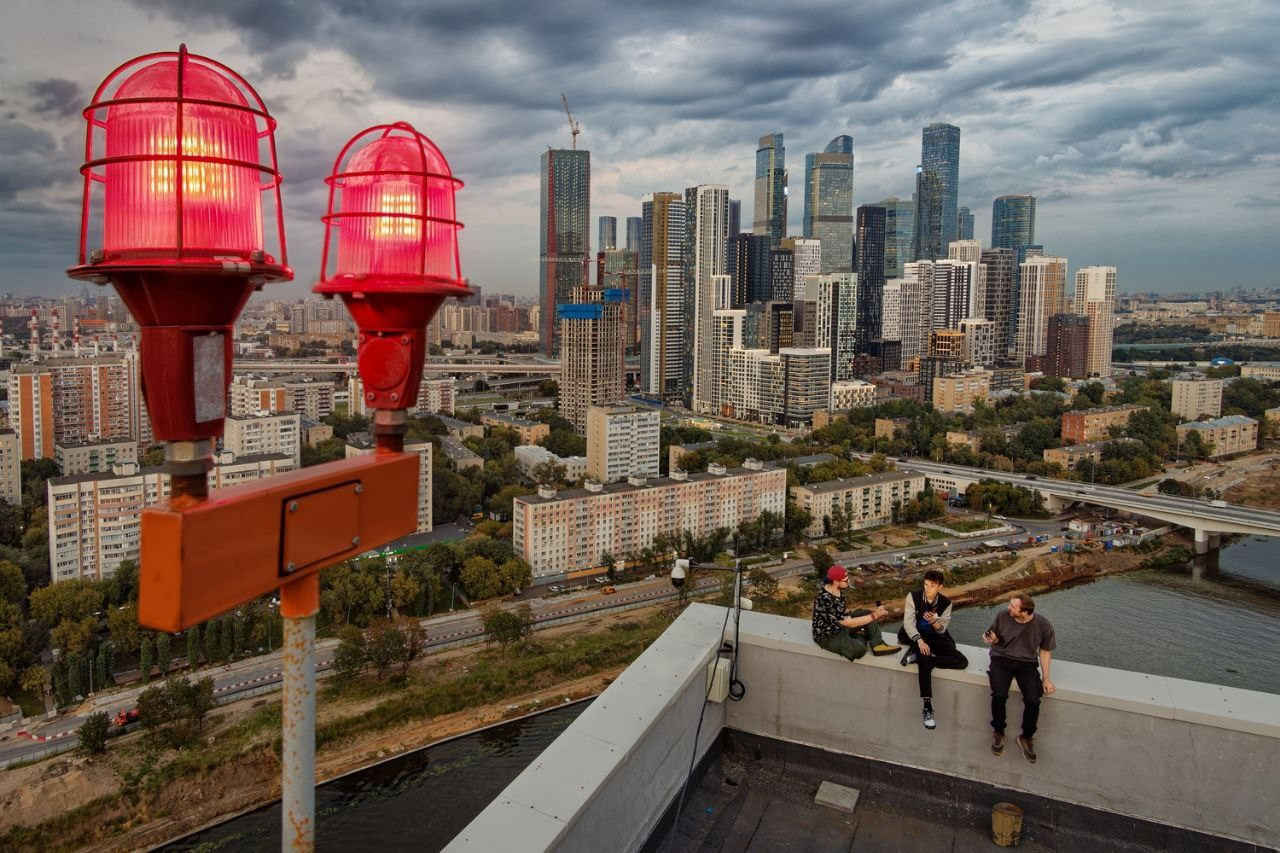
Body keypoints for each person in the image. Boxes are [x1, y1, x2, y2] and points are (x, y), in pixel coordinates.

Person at [983, 594, 1056, 764]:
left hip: (1026, 663)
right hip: (1001, 658)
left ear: (1024, 612)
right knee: (999, 694)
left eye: (1013, 606)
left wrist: (1046, 679)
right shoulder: (1003, 615)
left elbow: (1045, 651)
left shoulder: (1044, 625)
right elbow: (995, 637)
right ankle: (999, 732)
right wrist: (991, 639)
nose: (1008, 607)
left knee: (1033, 700)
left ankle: (1026, 737)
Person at [897, 569, 969, 730]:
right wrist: (920, 641)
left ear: (940, 586)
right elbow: (908, 623)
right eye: (926, 584)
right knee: (924, 654)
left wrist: (934, 622)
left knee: (961, 661)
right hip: (913, 634)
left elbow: (942, 629)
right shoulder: (913, 597)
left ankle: (925, 659)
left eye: (932, 585)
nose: (927, 588)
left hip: (933, 634)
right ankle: (927, 706)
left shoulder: (946, 603)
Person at [812, 565, 899, 660]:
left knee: (867, 613)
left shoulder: (836, 589)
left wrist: (868, 616)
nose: (849, 581)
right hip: (828, 636)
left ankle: (878, 645)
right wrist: (874, 616)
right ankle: (859, 636)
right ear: (836, 581)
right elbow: (849, 623)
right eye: (846, 581)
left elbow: (840, 615)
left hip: (839, 624)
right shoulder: (825, 599)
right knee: (860, 649)